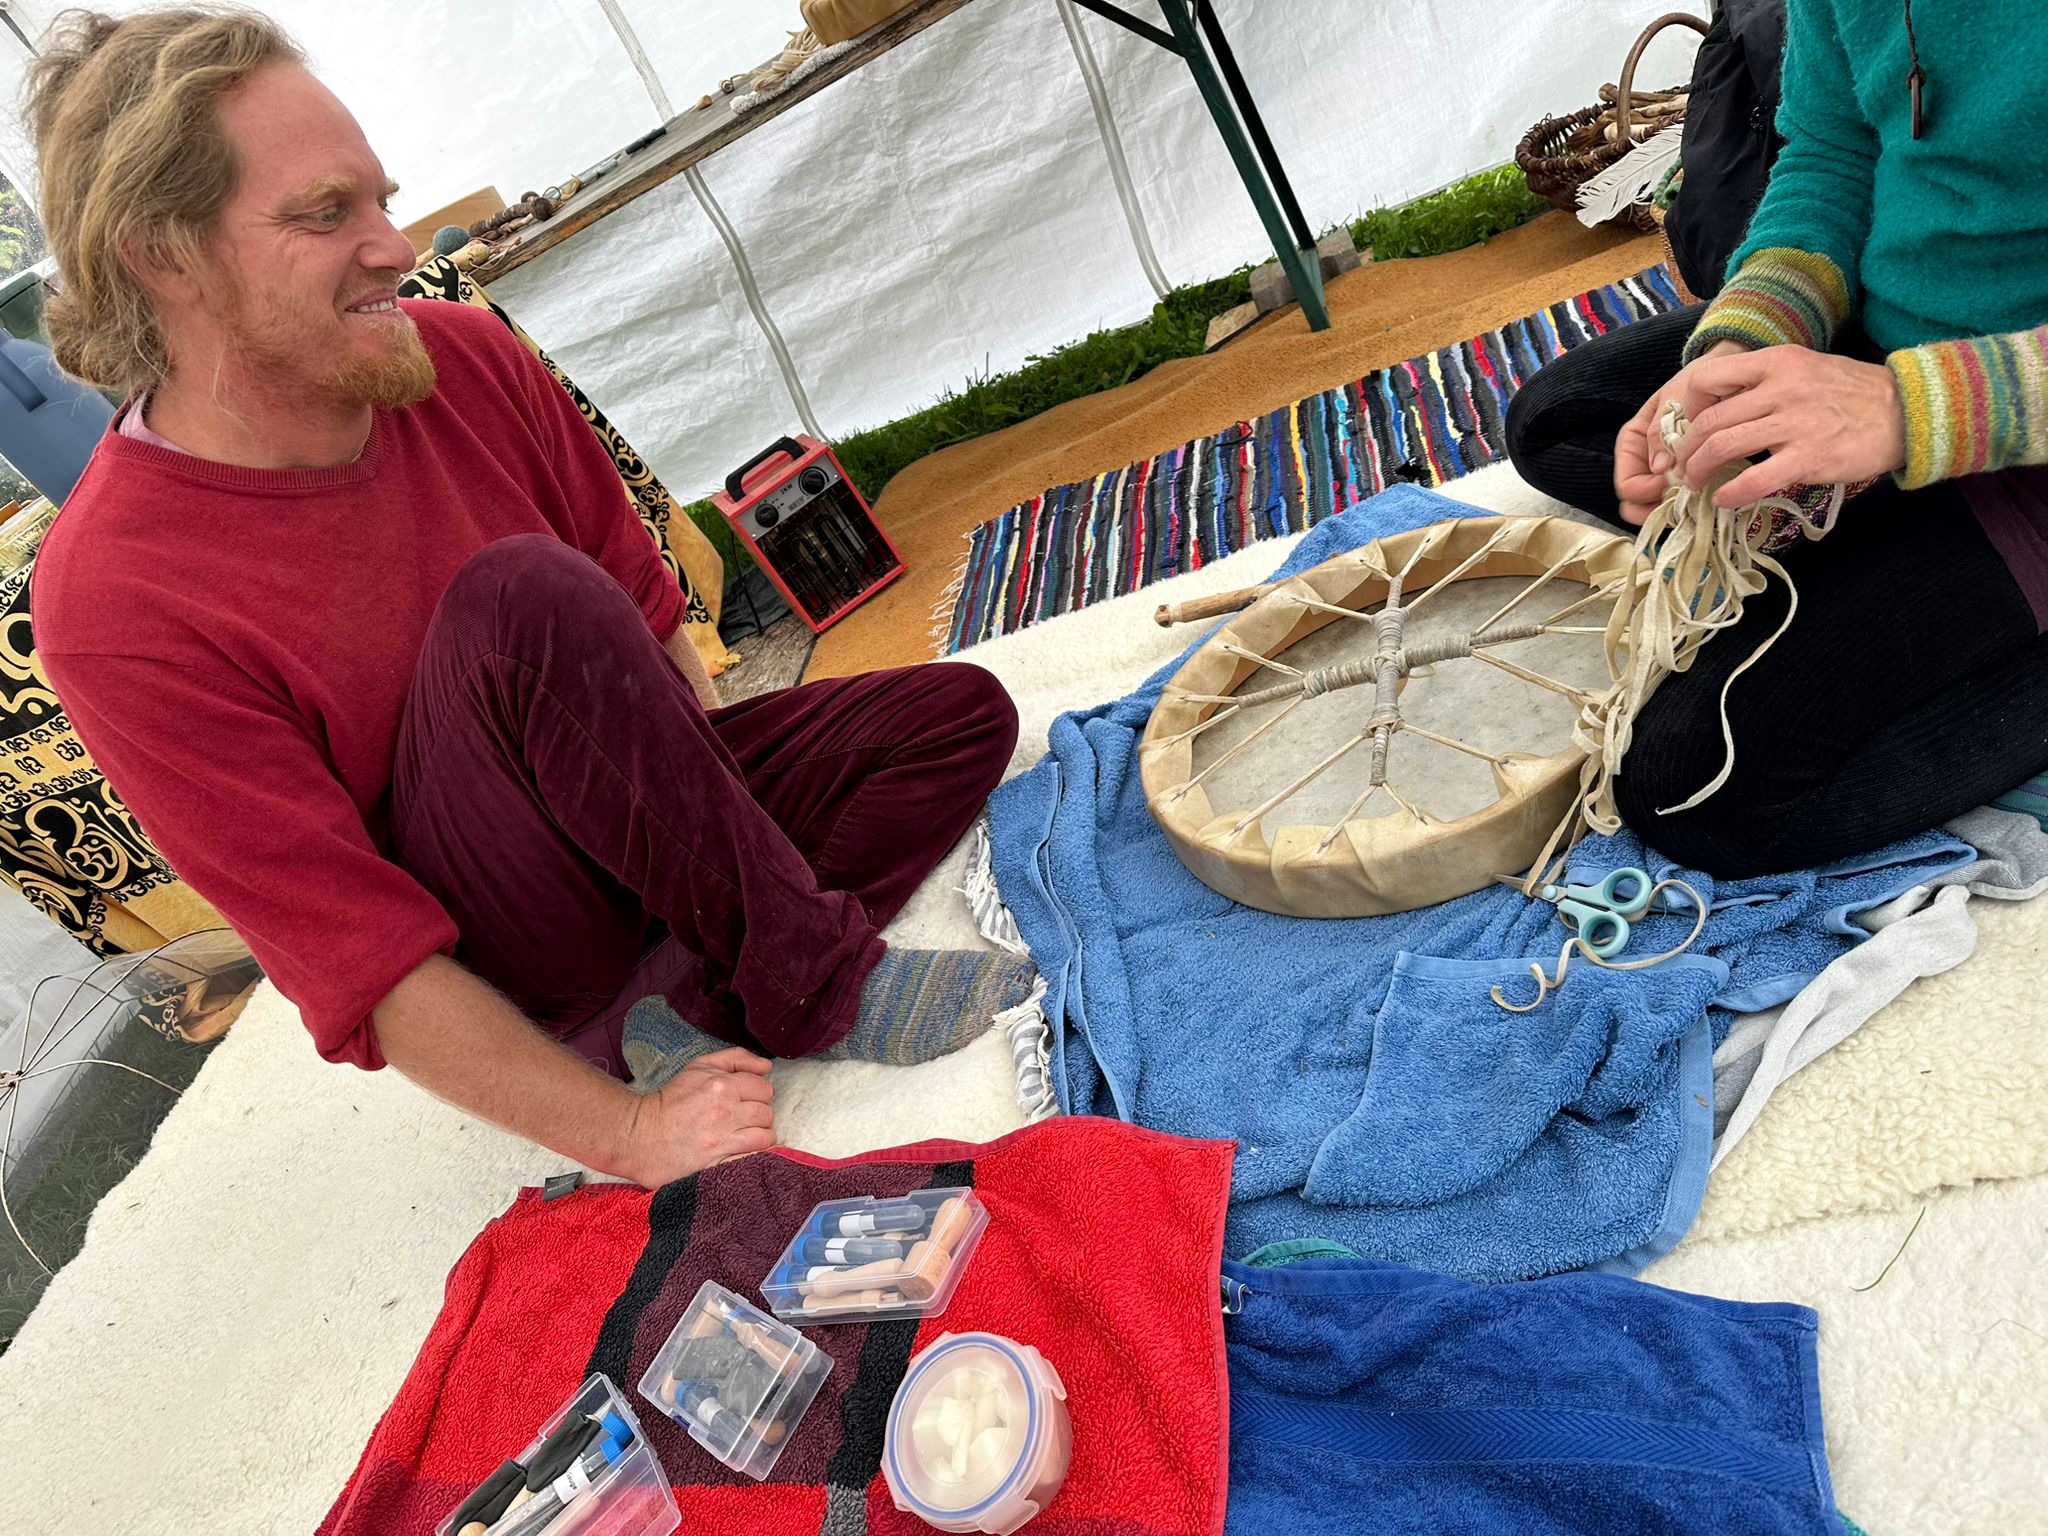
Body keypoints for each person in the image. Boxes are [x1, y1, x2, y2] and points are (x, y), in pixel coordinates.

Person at [24, 9, 1028, 1188]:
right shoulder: (113, 598)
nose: (393, 246)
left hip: (632, 827)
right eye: (326, 212)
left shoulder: (467, 356)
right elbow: (360, 957)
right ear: (163, 255)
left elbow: (653, 634)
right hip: (514, 940)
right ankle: (814, 984)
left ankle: (688, 998)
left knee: (956, 720)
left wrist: (709, 858)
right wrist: (630, 1138)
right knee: (523, 601)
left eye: (383, 200)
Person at [1506, 0, 2047, 878]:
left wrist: (1908, 411)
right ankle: (1861, 519)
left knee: (1695, 787)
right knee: (1558, 422)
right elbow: (1833, 157)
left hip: (2023, 429)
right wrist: (1745, 345)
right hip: (1889, 340)